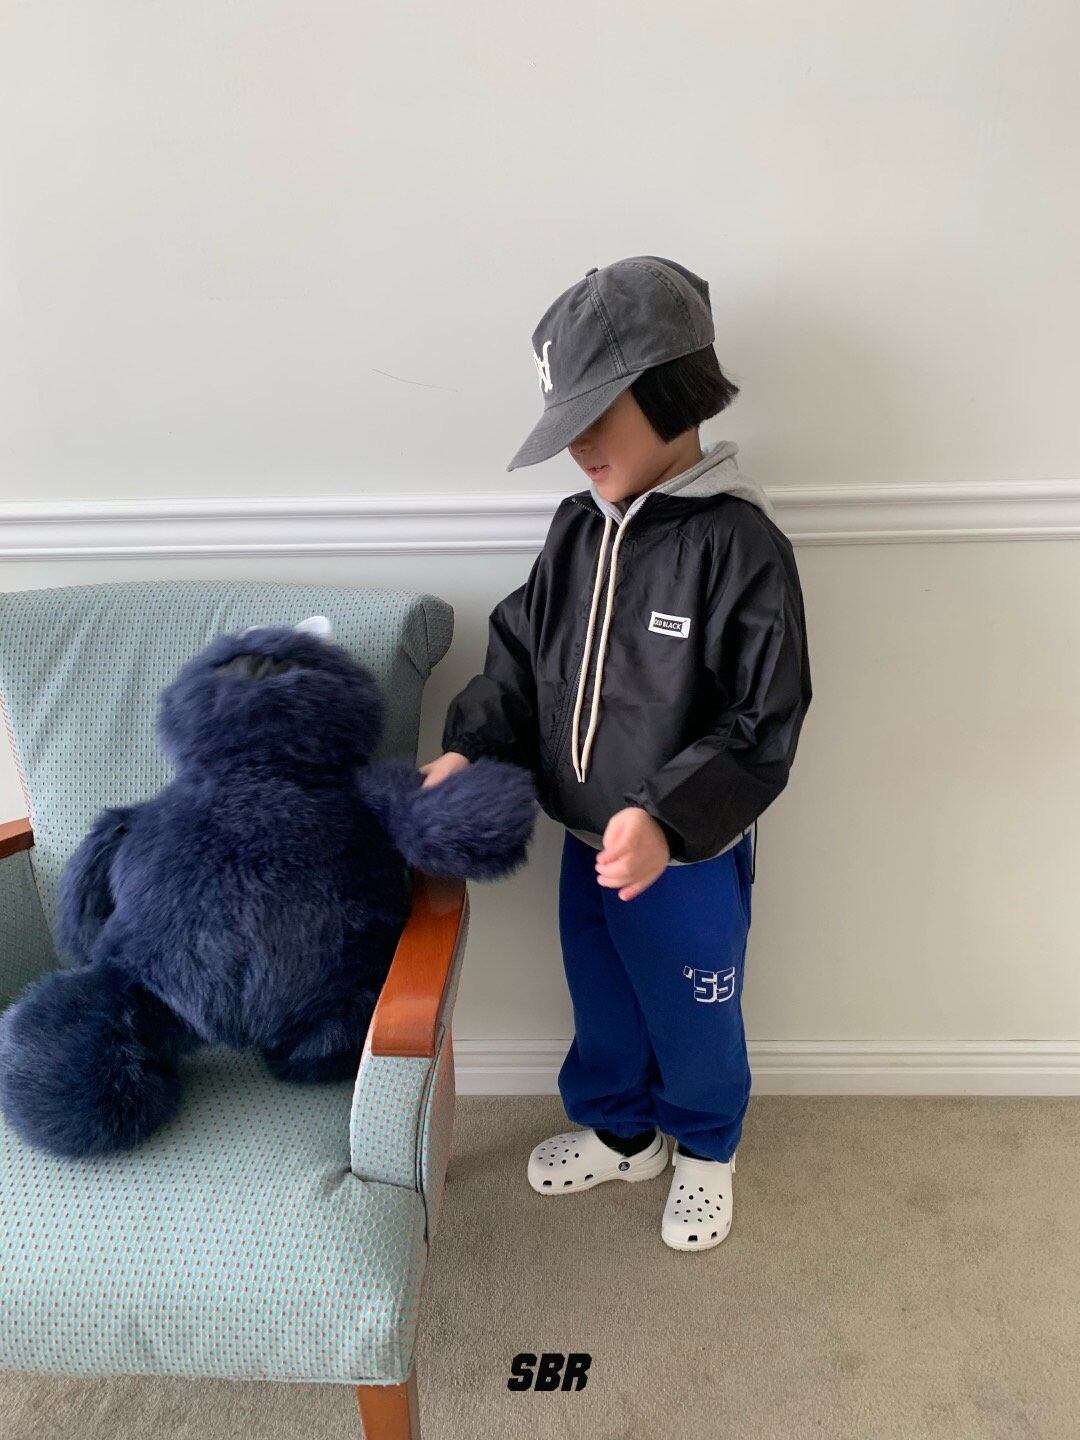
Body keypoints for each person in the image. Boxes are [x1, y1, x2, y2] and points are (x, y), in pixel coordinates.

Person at [422, 256, 812, 1251]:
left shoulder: (737, 543)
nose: (580, 445)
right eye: (568, 422)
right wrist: (471, 750)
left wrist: (667, 819)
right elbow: (520, 655)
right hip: (585, 839)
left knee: (693, 1008)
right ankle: (624, 1132)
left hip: (687, 854)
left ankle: (707, 1145)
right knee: (601, 995)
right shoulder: (575, 534)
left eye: (600, 414)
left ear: (674, 390)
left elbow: (762, 716)